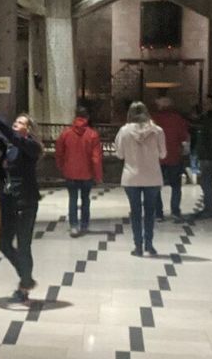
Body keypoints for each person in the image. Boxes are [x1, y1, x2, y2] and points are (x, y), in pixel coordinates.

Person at [0, 96, 41, 300]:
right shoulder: (9, 146)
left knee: (23, 246)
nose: (16, 123)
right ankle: (26, 277)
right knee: (4, 243)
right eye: (16, 121)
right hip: (8, 201)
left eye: (21, 122)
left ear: (28, 130)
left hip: (25, 203)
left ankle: (24, 286)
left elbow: (11, 135)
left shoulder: (32, 147)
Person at [114, 101, 166, 257]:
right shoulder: (157, 131)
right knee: (150, 212)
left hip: (131, 176)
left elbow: (119, 155)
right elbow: (163, 154)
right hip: (152, 176)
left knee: (135, 212)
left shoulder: (123, 131)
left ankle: (138, 246)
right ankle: (149, 244)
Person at [53, 108, 103, 237]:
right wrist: (98, 175)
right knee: (85, 199)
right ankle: (84, 225)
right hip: (87, 174)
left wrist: (61, 167)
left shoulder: (66, 133)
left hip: (70, 173)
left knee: (73, 199)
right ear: (87, 117)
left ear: (75, 116)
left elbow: (59, 153)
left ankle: (74, 226)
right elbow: (96, 158)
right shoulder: (93, 135)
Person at [152, 96, 190, 221]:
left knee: (156, 186)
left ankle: (158, 213)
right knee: (176, 186)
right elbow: (184, 138)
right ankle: (175, 211)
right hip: (174, 156)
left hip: (157, 158)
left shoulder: (154, 119)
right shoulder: (177, 119)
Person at [191, 95, 212, 218]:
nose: (204, 105)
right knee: (205, 182)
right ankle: (208, 207)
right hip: (208, 154)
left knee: (206, 182)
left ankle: (209, 209)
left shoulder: (211, 118)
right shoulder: (209, 117)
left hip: (208, 155)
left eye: (207, 103)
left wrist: (206, 153)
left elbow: (211, 137)